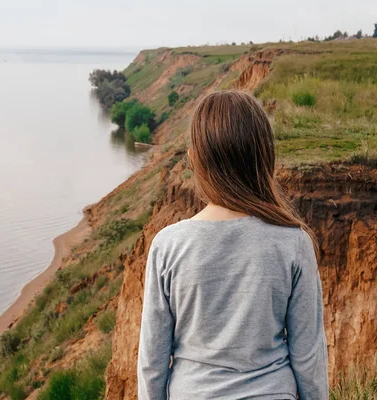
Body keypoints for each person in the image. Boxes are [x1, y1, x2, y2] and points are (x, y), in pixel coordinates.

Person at [137, 91, 328, 400]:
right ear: (263, 156)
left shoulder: (168, 246)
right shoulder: (293, 242)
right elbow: (309, 358)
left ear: (195, 159)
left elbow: (152, 363)